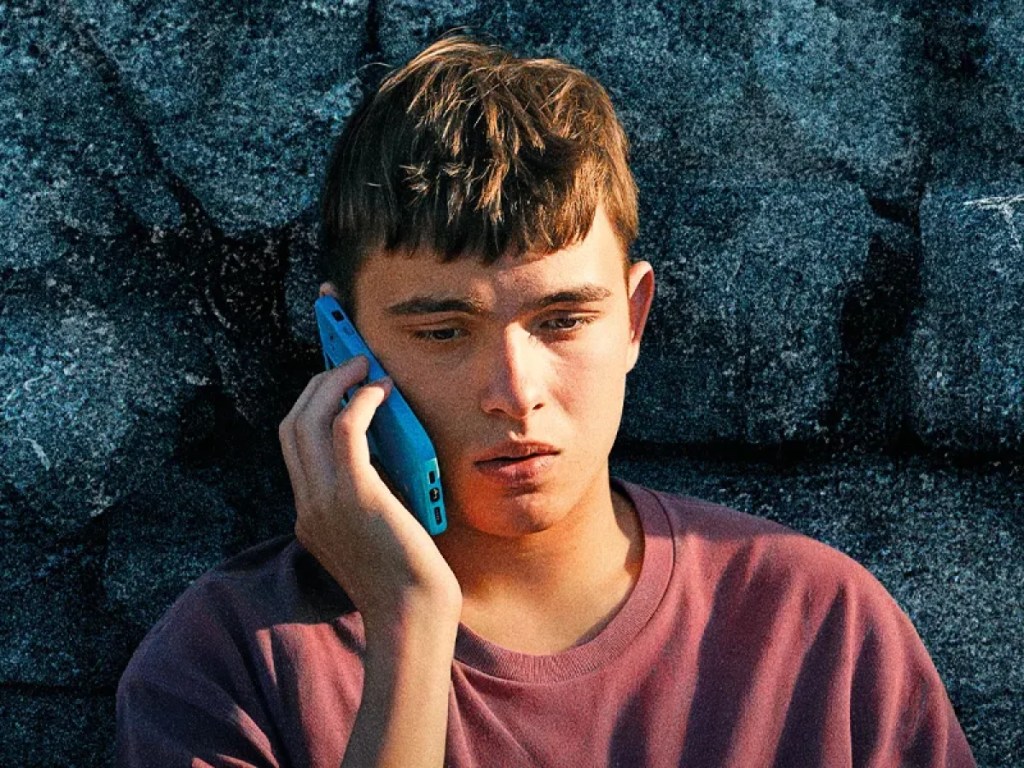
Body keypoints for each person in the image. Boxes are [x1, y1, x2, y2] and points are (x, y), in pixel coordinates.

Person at [116, 34, 976, 767]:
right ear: (346, 345)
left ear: (632, 320)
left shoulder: (818, 628)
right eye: (443, 332)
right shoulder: (228, 665)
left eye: (562, 320)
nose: (515, 394)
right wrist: (409, 625)